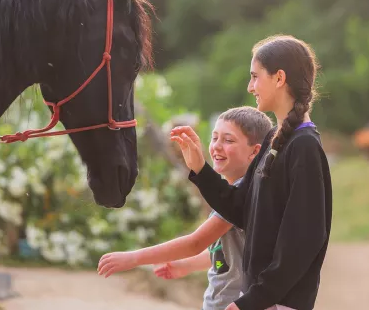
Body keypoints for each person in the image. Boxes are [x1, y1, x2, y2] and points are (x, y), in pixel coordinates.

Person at [170, 35, 332, 310]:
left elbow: (304, 241)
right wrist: (200, 168)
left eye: (255, 77)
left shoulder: (304, 147)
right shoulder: (275, 140)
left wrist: (253, 300)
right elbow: (240, 209)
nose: (250, 86)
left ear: (279, 78)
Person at [97, 106, 273, 310]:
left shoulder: (242, 194)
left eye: (229, 140)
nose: (216, 146)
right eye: (214, 138)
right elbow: (227, 254)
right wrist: (186, 265)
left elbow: (195, 242)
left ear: (255, 151)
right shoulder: (235, 192)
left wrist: (133, 258)